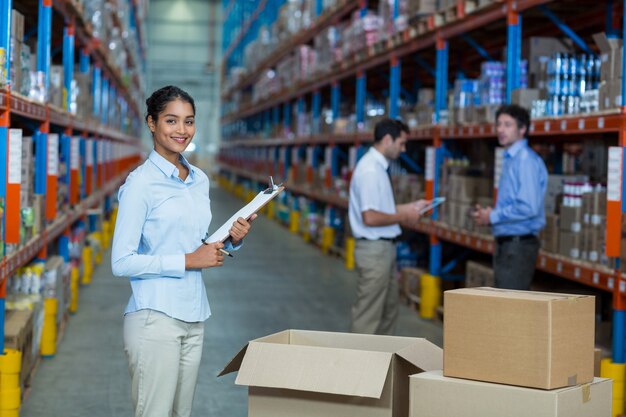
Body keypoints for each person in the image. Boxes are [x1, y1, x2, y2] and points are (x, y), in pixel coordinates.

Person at [111, 85, 255, 417]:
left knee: (181, 413)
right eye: (171, 121)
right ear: (152, 123)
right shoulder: (140, 185)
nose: (182, 131)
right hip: (154, 318)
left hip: (194, 314)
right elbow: (121, 262)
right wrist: (190, 260)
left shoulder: (199, 179)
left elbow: (195, 241)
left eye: (188, 122)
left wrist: (231, 238)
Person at [349, 118, 429, 335]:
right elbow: (371, 217)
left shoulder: (378, 168)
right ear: (387, 139)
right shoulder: (370, 171)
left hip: (384, 250)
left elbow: (382, 208)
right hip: (374, 251)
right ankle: (359, 365)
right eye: (401, 143)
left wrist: (411, 206)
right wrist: (405, 214)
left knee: (387, 312)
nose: (403, 149)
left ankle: (382, 363)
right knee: (368, 315)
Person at [472, 104, 547, 290]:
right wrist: (491, 215)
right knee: (506, 304)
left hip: (518, 246)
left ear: (522, 129)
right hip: (509, 244)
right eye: (498, 124)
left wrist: (493, 216)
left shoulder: (525, 161)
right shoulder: (511, 159)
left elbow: (528, 207)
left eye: (507, 125)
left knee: (512, 307)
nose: (500, 130)